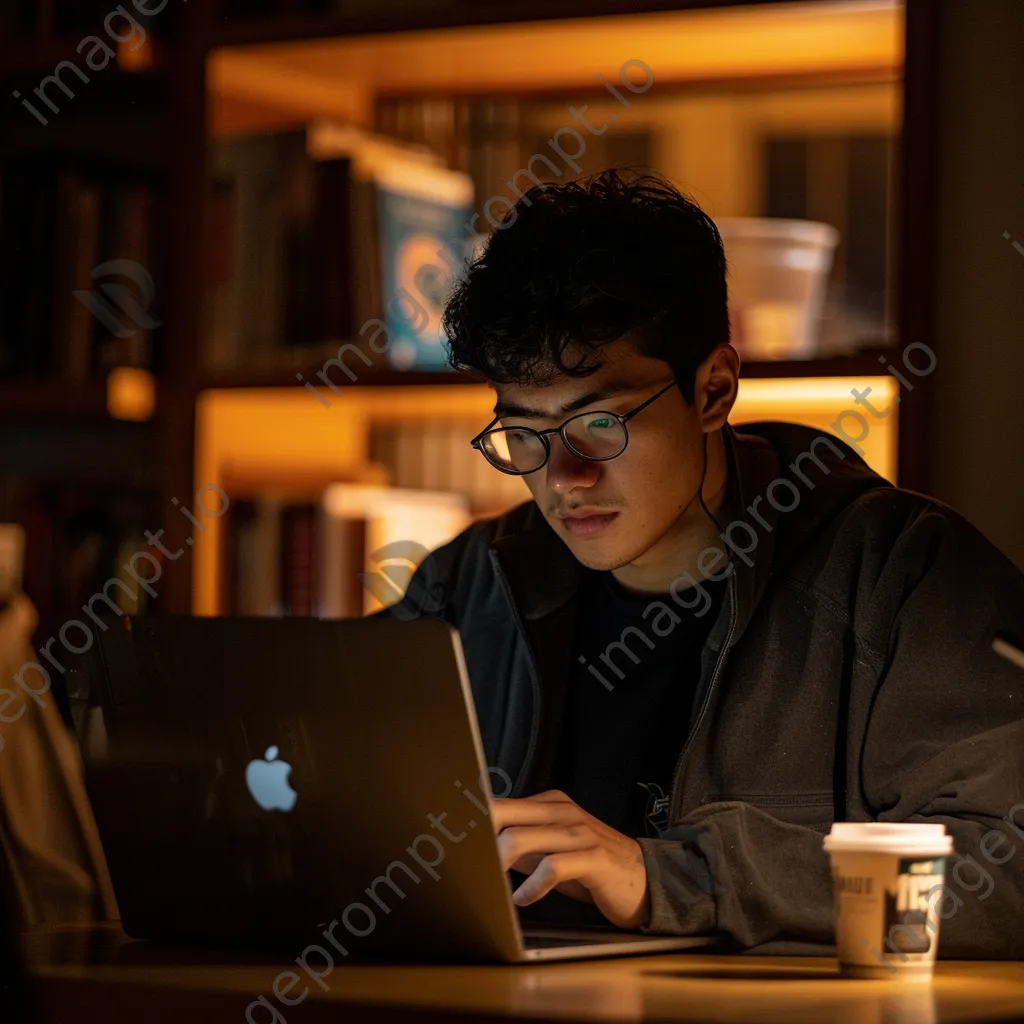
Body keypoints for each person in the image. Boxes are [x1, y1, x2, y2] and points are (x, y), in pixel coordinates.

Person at [385, 170, 1024, 957]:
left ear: (714, 389)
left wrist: (676, 877)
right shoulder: (470, 584)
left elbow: (1009, 864)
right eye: (523, 432)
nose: (562, 477)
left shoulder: (903, 578)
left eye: (600, 424)